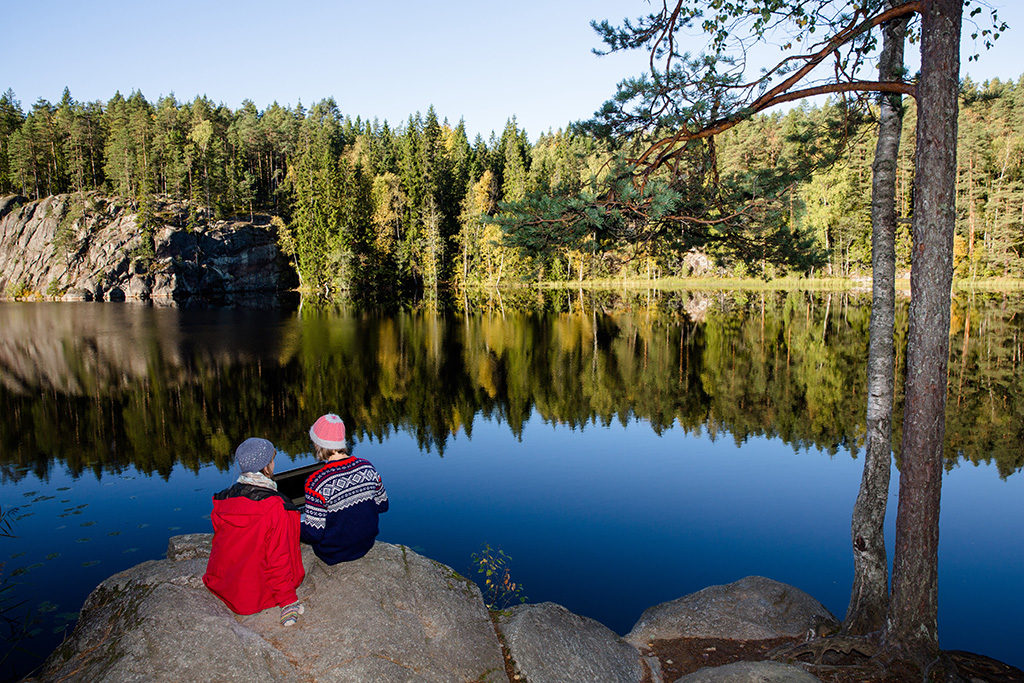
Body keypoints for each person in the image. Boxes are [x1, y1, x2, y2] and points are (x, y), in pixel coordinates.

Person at [203, 437, 306, 626]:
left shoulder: (222, 499)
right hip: (252, 597)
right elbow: (278, 559)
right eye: (272, 460)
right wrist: (288, 600)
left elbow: (222, 543)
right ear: (267, 467)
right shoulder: (276, 507)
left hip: (222, 584)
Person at [301, 414, 389, 564]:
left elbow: (313, 534)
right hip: (366, 544)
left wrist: (293, 525)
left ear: (318, 444)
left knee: (305, 521)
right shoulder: (367, 467)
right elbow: (383, 505)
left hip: (333, 553)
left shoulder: (316, 482)